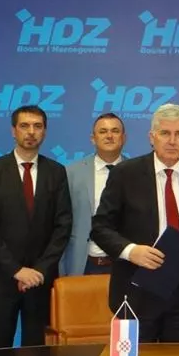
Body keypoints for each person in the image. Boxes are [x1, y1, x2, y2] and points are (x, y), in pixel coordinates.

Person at [90, 104, 179, 342]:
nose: (172, 141)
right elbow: (101, 227)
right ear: (152, 137)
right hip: (136, 289)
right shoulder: (125, 173)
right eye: (165, 133)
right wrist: (131, 251)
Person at [0, 105, 72, 349]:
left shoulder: (56, 172)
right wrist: (16, 270)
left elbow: (62, 226)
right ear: (13, 131)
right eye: (24, 126)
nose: (31, 132)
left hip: (40, 281)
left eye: (37, 126)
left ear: (45, 132)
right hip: (0, 280)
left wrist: (38, 271)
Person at [60, 113, 127, 276]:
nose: (109, 136)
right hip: (83, 264)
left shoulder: (138, 173)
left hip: (125, 264)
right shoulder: (71, 173)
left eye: (115, 131)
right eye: (103, 131)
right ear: (93, 139)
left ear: (124, 138)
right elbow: (60, 223)